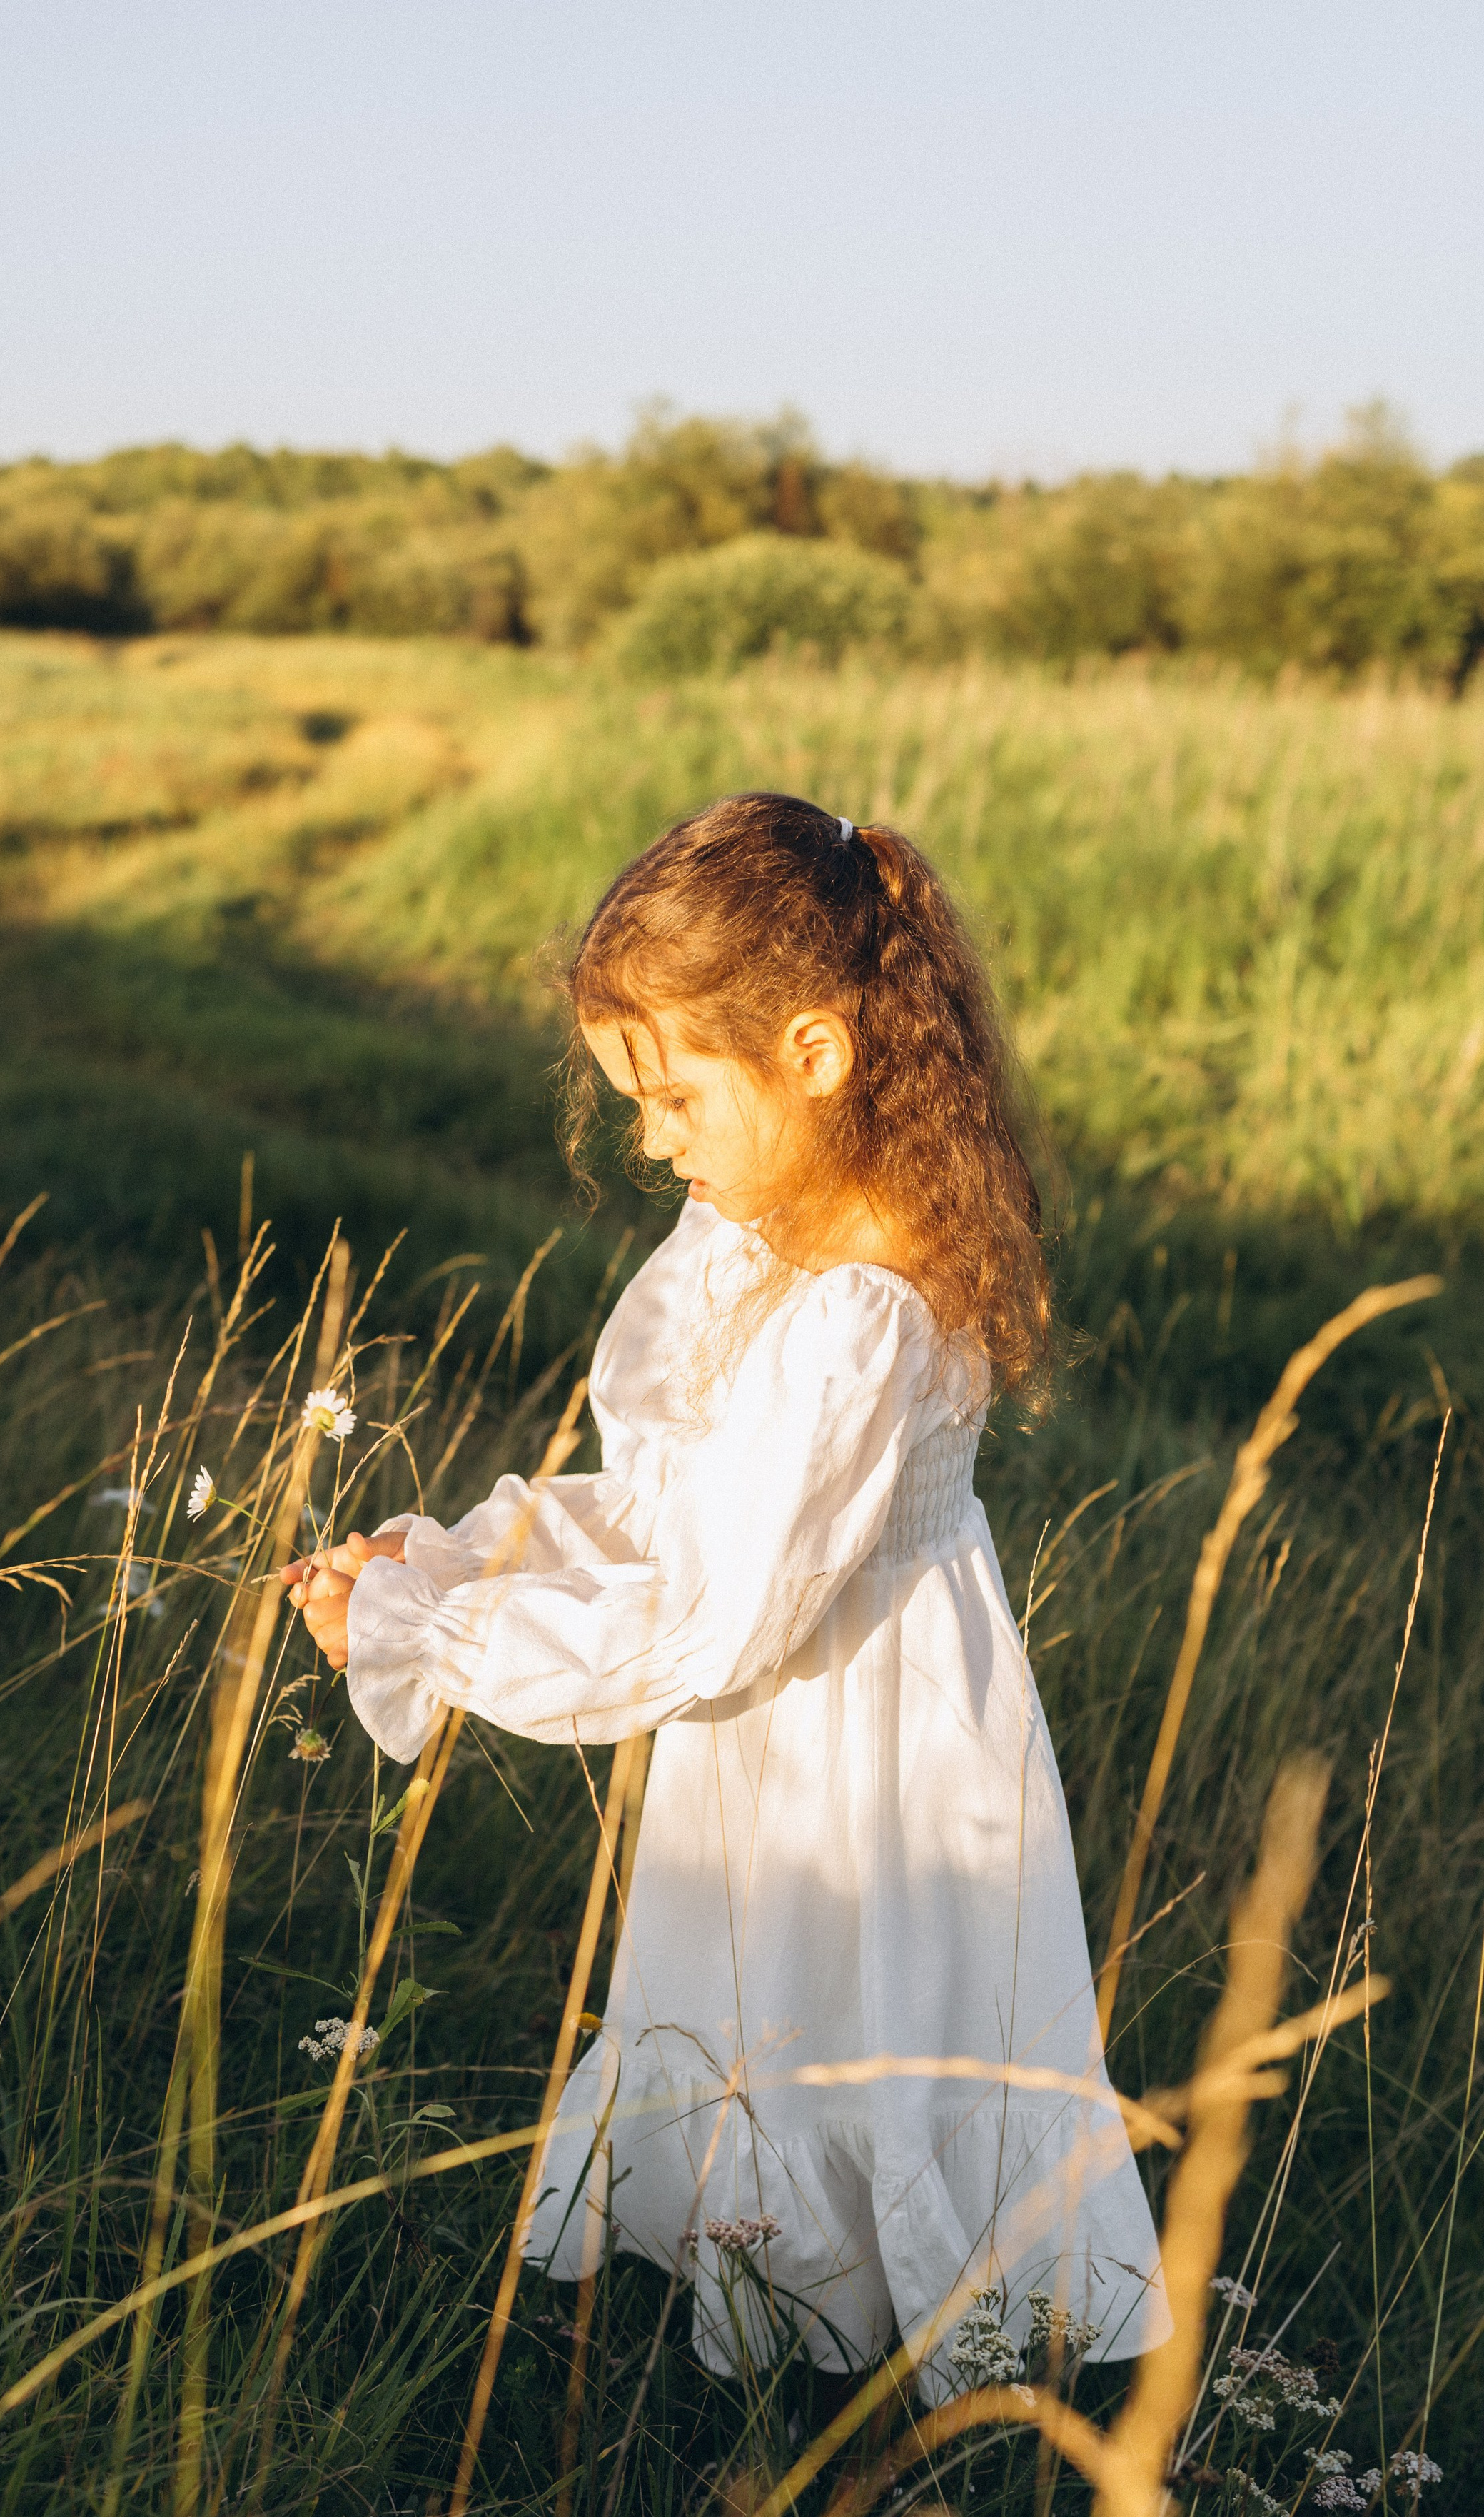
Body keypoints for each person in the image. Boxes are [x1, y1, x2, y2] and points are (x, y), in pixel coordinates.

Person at [285, 793, 1167, 2392]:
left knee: (865, 2031)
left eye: (674, 1092)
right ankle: (782, 2358)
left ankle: (905, 2433)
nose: (650, 1136)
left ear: (816, 1052)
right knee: (770, 2027)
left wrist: (436, 1638)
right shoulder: (753, 1230)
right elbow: (679, 1508)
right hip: (774, 1711)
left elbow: (706, 1619)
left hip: (865, 1743)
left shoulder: (858, 1310)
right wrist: (469, 1555)